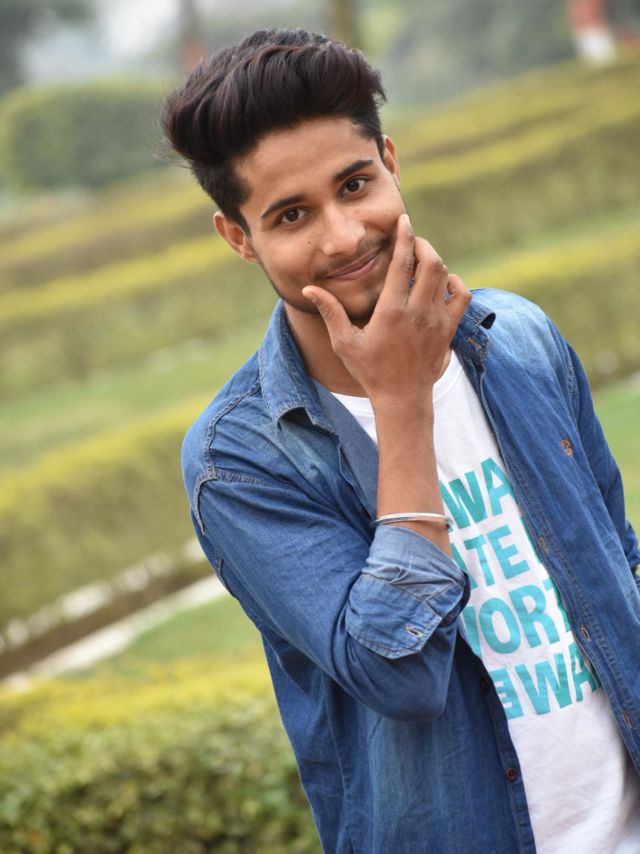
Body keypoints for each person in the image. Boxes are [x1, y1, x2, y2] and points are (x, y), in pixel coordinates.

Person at [162, 28, 640, 853]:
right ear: (239, 237)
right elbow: (399, 673)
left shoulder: (519, 339)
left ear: (390, 160)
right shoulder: (238, 461)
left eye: (355, 184)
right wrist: (401, 399)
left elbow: (618, 562)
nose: (345, 236)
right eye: (291, 215)